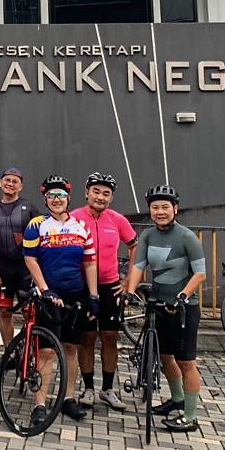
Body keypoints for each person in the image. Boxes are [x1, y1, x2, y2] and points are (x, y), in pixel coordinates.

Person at [125, 185, 206, 433]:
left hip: (183, 308)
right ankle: (177, 399)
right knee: (165, 356)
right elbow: (138, 266)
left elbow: (200, 273)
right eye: (155, 207)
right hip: (158, 306)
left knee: (186, 362)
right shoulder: (148, 236)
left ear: (175, 209)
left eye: (165, 207)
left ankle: (190, 417)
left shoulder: (187, 237)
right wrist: (129, 292)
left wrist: (182, 296)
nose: (160, 212)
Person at [22, 175, 99, 424]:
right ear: (45, 199)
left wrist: (93, 295)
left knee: (70, 349)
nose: (56, 200)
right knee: (46, 352)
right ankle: (40, 404)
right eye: (51, 196)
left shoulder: (81, 226)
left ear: (68, 198)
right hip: (48, 295)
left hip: (74, 294)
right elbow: (30, 259)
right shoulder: (37, 224)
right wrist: (45, 290)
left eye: (61, 195)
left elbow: (89, 263)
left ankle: (68, 398)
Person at [72, 172, 137, 411]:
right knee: (86, 337)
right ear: (86, 192)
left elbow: (135, 246)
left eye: (106, 193)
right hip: (82, 287)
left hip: (110, 286)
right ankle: (88, 388)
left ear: (111, 197)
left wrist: (129, 278)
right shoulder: (73, 218)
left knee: (110, 337)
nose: (100, 197)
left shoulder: (117, 220)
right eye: (96, 191)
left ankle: (107, 389)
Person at [0, 167, 41, 346]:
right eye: (7, 180)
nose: (10, 184)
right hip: (3, 270)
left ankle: (29, 350)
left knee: (29, 312)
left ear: (21, 186)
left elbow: (40, 237)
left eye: (15, 181)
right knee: (4, 312)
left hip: (24, 270)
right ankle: (9, 351)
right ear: (0, 183)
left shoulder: (29, 208)